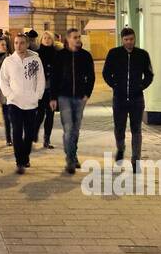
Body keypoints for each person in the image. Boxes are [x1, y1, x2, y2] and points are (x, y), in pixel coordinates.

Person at [102, 27, 154, 171]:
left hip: (137, 99)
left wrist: (141, 86)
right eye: (126, 40)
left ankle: (136, 159)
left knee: (136, 129)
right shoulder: (114, 54)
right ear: (122, 40)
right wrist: (115, 86)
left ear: (135, 39)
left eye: (131, 39)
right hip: (119, 98)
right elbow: (106, 73)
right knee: (119, 128)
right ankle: (121, 148)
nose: (129, 42)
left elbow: (149, 75)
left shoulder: (142, 55)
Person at [0, 31, 48, 174]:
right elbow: (3, 81)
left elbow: (40, 79)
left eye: (21, 43)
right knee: (16, 131)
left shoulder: (35, 60)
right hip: (14, 102)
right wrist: (10, 95)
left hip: (31, 103)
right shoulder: (8, 61)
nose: (18, 46)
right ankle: (19, 160)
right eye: (16, 43)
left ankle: (25, 156)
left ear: (27, 44)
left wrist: (37, 96)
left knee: (29, 134)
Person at [55, 27, 95, 174]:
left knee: (75, 129)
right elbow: (55, 77)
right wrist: (53, 97)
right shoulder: (60, 56)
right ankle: (70, 159)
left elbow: (91, 76)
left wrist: (87, 94)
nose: (78, 39)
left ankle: (72, 154)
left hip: (79, 97)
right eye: (75, 37)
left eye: (79, 37)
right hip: (64, 96)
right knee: (68, 128)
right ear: (68, 39)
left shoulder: (85, 56)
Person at [36, 31, 63, 150]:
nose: (47, 40)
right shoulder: (36, 54)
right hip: (40, 90)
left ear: (52, 40)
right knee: (39, 115)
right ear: (41, 40)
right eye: (45, 38)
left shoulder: (57, 54)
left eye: (49, 38)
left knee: (50, 115)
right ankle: (33, 133)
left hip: (52, 90)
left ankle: (47, 139)